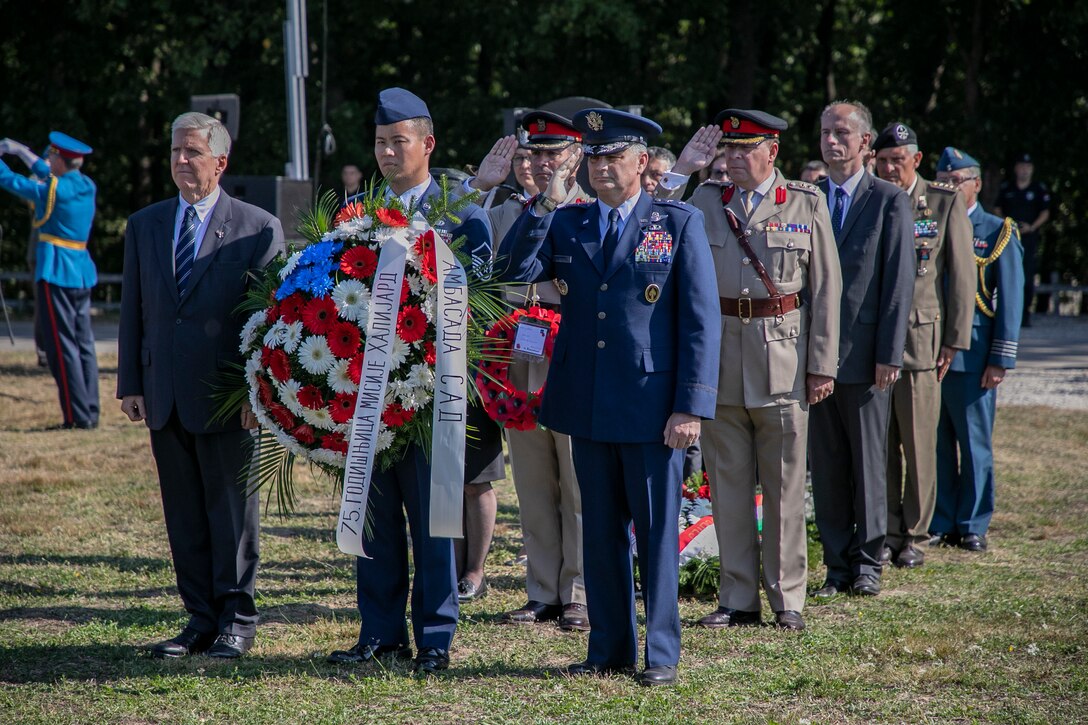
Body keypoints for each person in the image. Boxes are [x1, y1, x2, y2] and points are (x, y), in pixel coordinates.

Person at [502, 108, 720, 686]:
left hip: (652, 406)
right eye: (593, 158)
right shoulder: (568, 222)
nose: (601, 168)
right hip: (587, 400)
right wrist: (545, 202)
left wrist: (690, 406)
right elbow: (512, 269)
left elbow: (700, 321)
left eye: (612, 157)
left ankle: (662, 654)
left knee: (654, 536)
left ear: (642, 162)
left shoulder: (676, 222)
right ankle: (609, 647)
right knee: (598, 533)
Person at [327, 88, 498, 674]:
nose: (387, 153)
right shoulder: (358, 216)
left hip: (432, 400)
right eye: (379, 143)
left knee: (434, 521)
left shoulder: (464, 216)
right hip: (370, 396)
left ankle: (434, 637)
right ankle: (378, 633)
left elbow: (484, 305)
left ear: (427, 144)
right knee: (373, 517)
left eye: (398, 141)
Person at [661, 109, 841, 632]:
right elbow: (650, 220)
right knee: (728, 482)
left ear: (772, 153)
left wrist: (821, 364)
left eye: (746, 149)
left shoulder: (806, 204)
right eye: (729, 150)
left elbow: (826, 289)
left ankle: (788, 599)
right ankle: (737, 597)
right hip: (719, 360)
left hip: (782, 360)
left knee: (785, 485)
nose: (735, 159)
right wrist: (683, 169)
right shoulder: (703, 200)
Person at [118, 112, 285, 658]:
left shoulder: (257, 227)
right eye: (175, 152)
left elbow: (269, 320)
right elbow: (133, 311)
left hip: (227, 399)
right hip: (164, 394)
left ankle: (237, 620)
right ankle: (199, 619)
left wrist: (255, 394)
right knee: (183, 513)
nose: (181, 161)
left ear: (221, 160)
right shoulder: (145, 225)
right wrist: (130, 382)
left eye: (192, 152)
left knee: (232, 515)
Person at [808, 101, 915, 599]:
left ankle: (869, 562)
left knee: (870, 465)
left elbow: (898, 283)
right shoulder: (806, 198)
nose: (832, 141)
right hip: (812, 359)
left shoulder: (889, 200)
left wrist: (890, 354)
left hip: (867, 355)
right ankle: (835, 564)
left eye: (842, 133)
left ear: (866, 143)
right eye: (826, 131)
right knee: (827, 466)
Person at [491, 110, 592, 632]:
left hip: (570, 355)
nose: (540, 163)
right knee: (532, 482)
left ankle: (577, 591)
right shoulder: (516, 210)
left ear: (576, 157)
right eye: (534, 153)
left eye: (553, 153)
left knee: (576, 481)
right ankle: (542, 590)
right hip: (521, 354)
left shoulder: (590, 210)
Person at [872, 122, 975, 569]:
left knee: (917, 441)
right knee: (882, 443)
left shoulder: (941, 201)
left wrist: (953, 340)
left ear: (916, 160)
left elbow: (960, 275)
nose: (890, 168)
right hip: (875, 340)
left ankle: (915, 532)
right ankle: (887, 529)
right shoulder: (871, 197)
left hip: (920, 341)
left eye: (898, 160)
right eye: (883, 160)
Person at [933, 147, 1024, 552]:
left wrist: (1001, 359)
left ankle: (972, 524)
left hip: (973, 356)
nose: (950, 187)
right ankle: (940, 520)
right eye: (944, 181)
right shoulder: (925, 224)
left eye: (957, 181)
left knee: (973, 445)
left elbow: (1011, 299)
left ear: (977, 184)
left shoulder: (996, 230)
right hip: (930, 354)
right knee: (935, 444)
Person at [0, 132, 99, 428]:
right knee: (83, 345)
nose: (47, 161)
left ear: (60, 160)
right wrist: (20, 151)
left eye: (52, 156)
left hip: (56, 270)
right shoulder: (85, 185)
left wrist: (10, 157)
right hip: (80, 271)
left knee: (62, 347)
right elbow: (48, 173)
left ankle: (75, 417)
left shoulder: (51, 191)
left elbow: (10, 181)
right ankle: (89, 412)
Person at [994, 153, 1050, 326]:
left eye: (1028, 167)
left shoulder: (1038, 189)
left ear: (1032, 169)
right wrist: (1008, 226)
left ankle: (1025, 315)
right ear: (1016, 169)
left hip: (1029, 239)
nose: (1024, 170)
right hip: (1009, 238)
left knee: (1027, 277)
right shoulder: (1007, 188)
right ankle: (1007, 314)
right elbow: (997, 209)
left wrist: (1032, 227)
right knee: (1006, 275)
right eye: (1021, 166)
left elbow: (1045, 212)